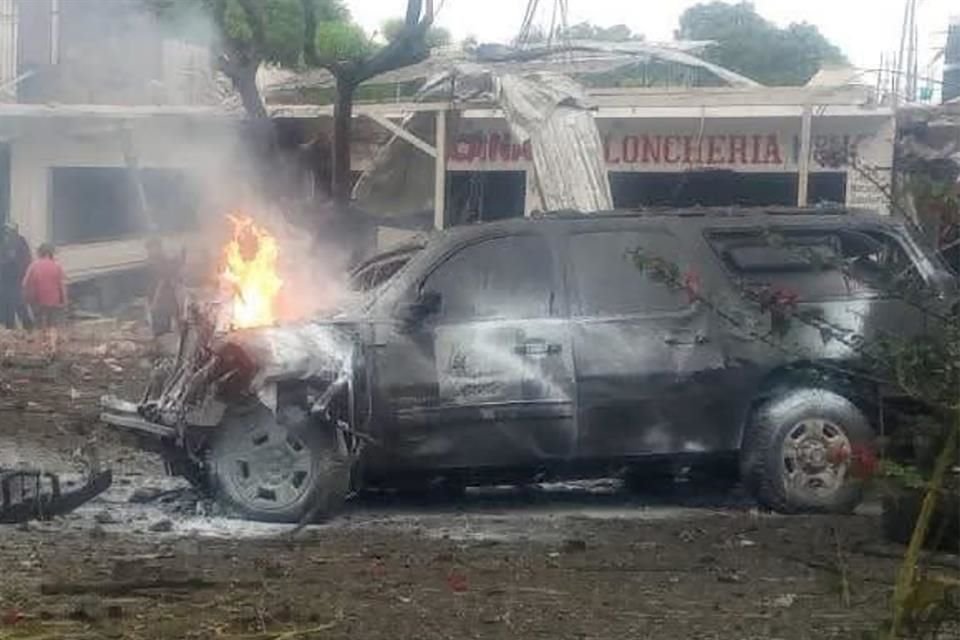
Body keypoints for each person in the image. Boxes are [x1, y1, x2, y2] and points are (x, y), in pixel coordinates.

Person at [22, 243, 67, 354]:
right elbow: (62, 285)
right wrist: (64, 300)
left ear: (40, 253)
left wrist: (27, 297)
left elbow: (25, 283)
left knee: (39, 325)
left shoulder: (33, 266)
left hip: (37, 300)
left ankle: (39, 349)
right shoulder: (56, 266)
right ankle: (52, 348)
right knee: (53, 325)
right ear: (49, 253)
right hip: (54, 300)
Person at [145, 237, 183, 337]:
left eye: (154, 247)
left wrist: (155, 301)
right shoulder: (153, 261)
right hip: (159, 295)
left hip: (163, 297)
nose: (151, 251)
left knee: (163, 324)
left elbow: (163, 280)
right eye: (150, 248)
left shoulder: (159, 261)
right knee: (161, 325)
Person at [0, 223, 34, 330]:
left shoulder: (17, 242)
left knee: (17, 302)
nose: (6, 233)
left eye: (8, 230)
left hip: (15, 277)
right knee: (8, 303)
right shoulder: (8, 241)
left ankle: (26, 326)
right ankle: (11, 327)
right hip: (6, 278)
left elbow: (23, 259)